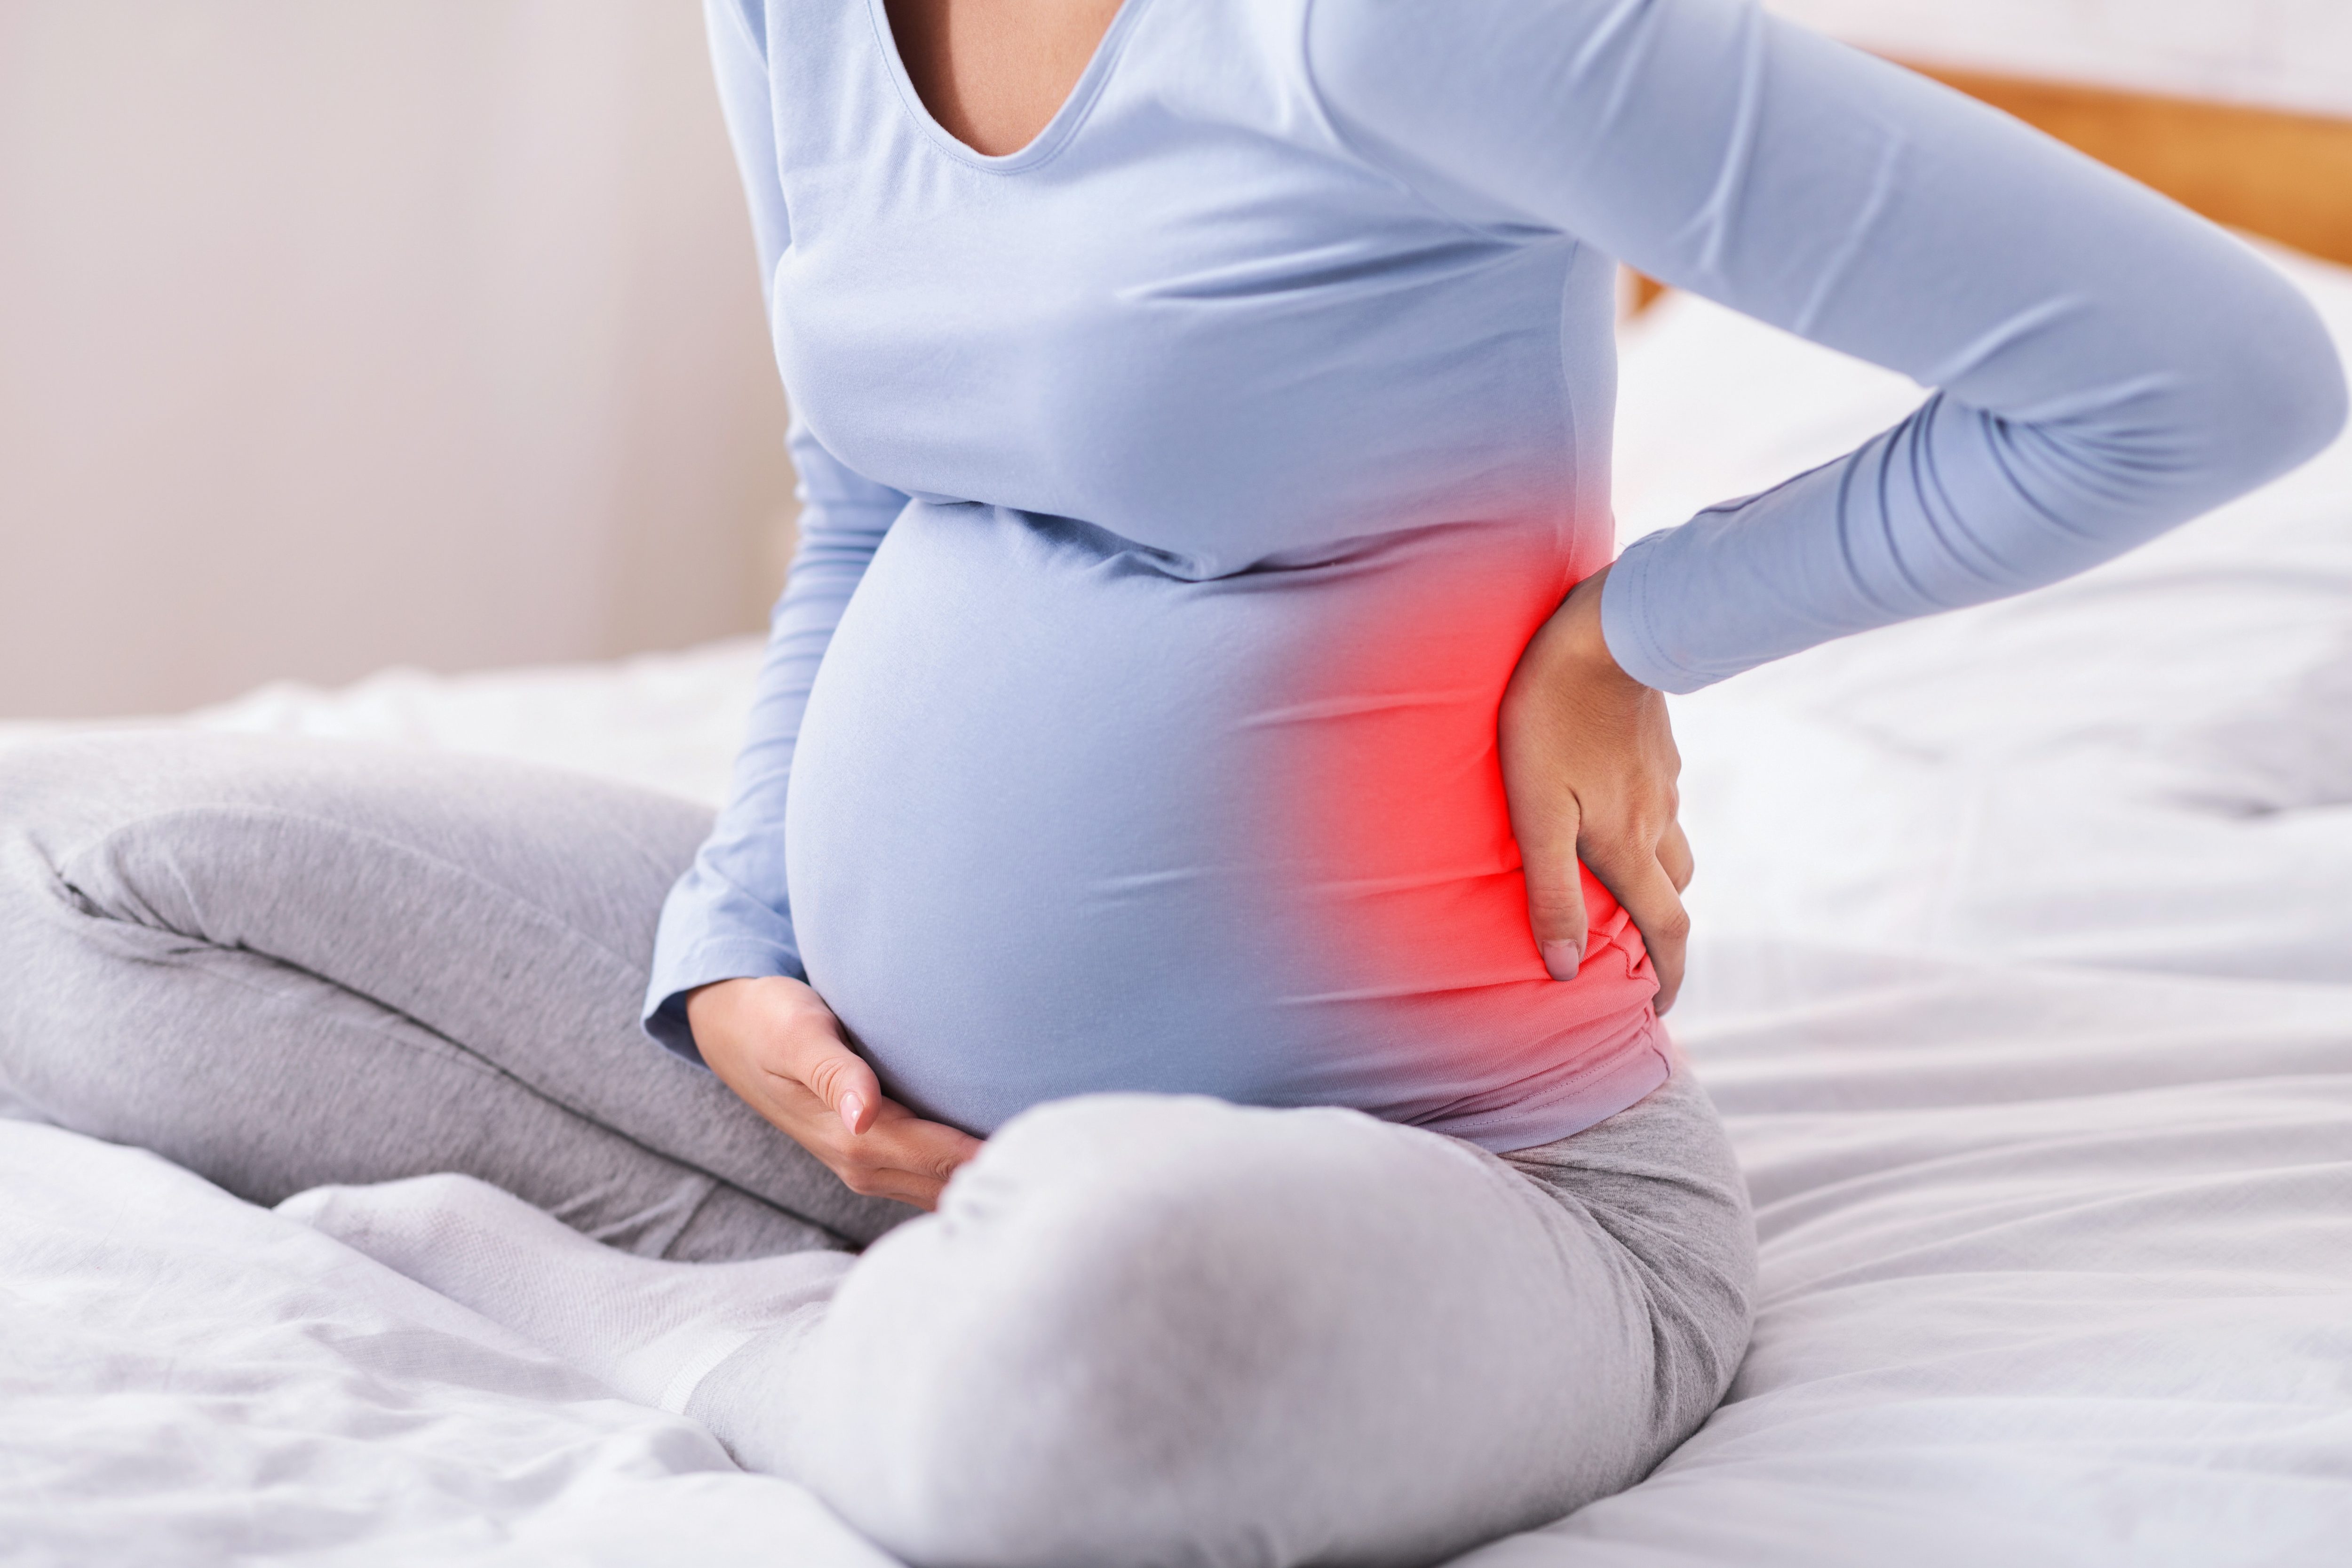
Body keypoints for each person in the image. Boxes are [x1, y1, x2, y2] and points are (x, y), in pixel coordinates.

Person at [1, 0, 2341, 1562]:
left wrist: (1634, 630)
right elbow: (863, 491)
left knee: (1110, 1360)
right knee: (75, 882)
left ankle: (689, 1324)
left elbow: (2202, 373)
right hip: (844, 1105)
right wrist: (731, 935)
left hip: (1441, 1182)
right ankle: (885, 1266)